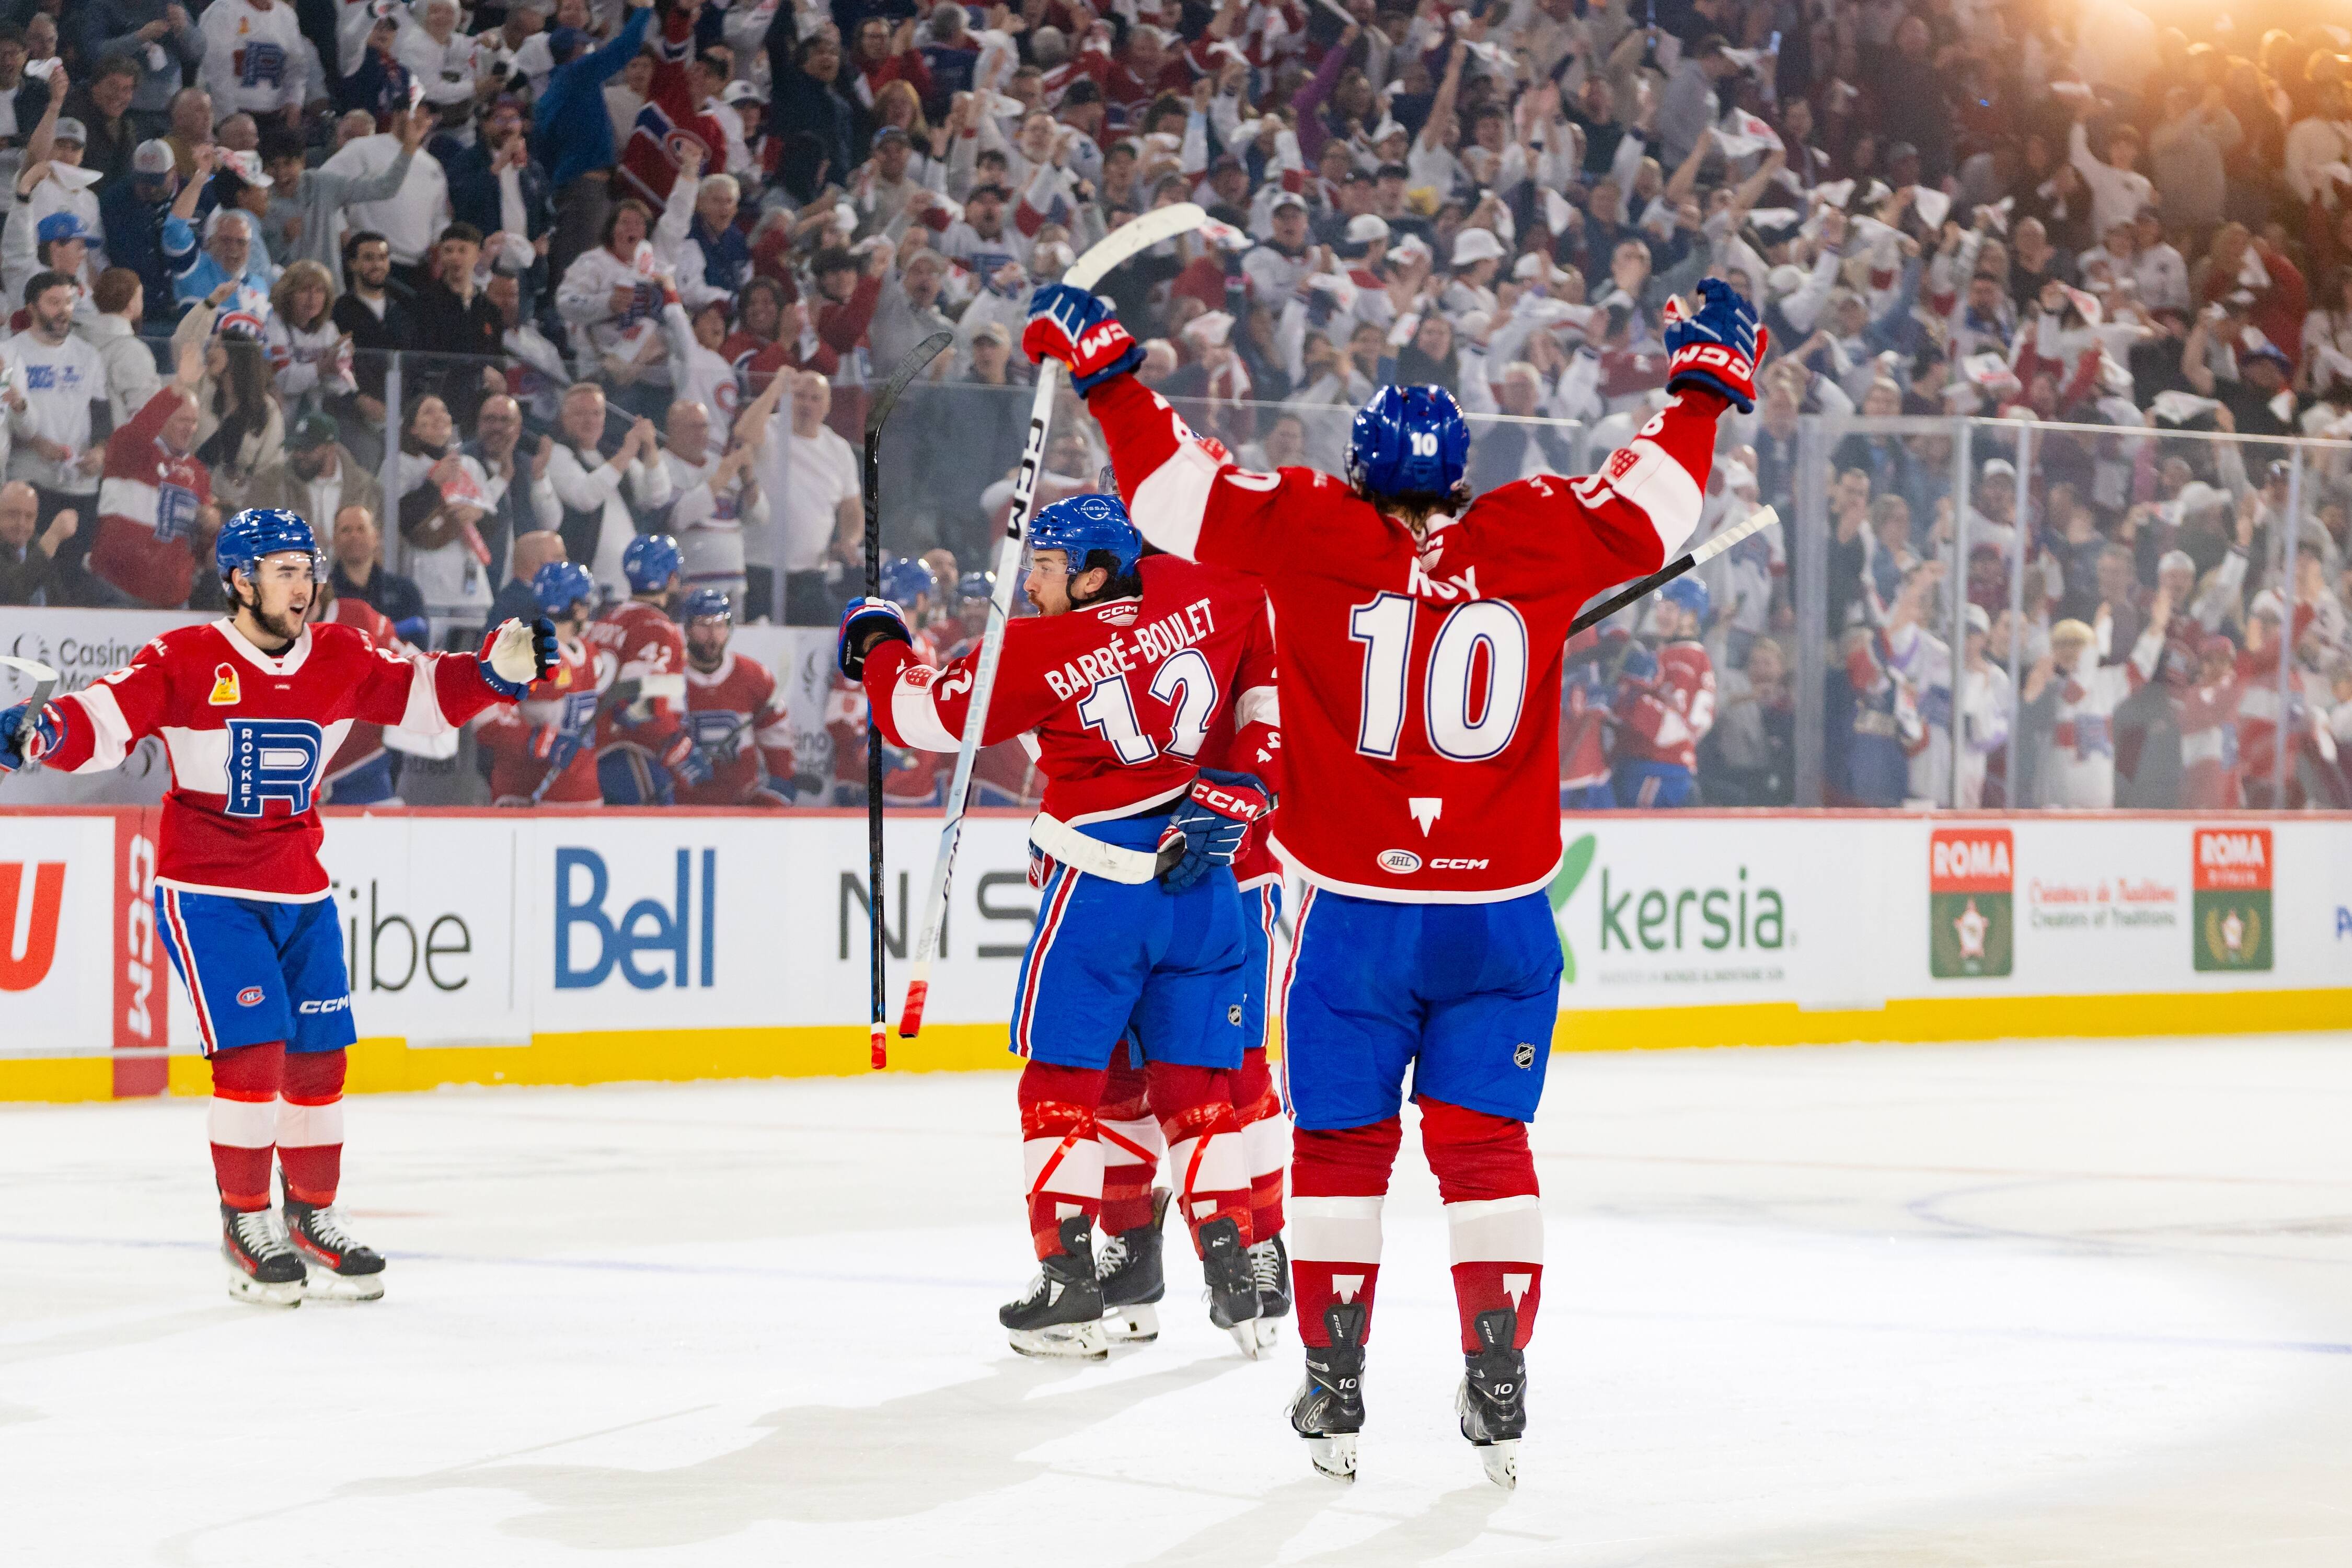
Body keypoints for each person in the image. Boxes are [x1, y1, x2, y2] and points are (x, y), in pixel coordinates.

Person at [1022, 271, 1759, 1484]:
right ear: (1458, 475)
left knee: (1340, 1152)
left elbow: (1164, 491)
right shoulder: (1528, 530)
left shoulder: (1312, 526)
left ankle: (1333, 1385)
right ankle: (1497, 1383)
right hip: (1499, 924)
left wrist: (1106, 369)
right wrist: (1694, 384)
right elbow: (1665, 497)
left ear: (1361, 472)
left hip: (1358, 925)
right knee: (1484, 1151)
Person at [0, 508, 556, 1304]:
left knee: (321, 1059)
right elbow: (108, 717)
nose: (303, 586)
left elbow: (425, 697)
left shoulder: (338, 654)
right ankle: (246, 1220)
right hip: (209, 888)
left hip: (301, 884)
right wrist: (42, 730)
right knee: (254, 1055)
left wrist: (496, 673)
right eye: (285, 570)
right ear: (239, 578)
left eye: (308, 569)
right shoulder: (188, 656)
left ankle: (314, 1215)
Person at [839, 492, 1277, 1361]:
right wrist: (1250, 775)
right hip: (1206, 882)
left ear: (1092, 574)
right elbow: (1261, 647)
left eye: (1044, 568)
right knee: (1196, 1090)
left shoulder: (1037, 649)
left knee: (1059, 1085)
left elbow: (917, 717)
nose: (1029, 585)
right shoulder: (1218, 595)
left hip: (1101, 887)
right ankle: (1237, 1270)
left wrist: (881, 641)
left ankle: (1068, 1283)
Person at [475, 559, 608, 806]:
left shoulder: (590, 653)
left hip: (583, 793)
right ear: (577, 608)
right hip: (526, 792)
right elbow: (485, 717)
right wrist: (536, 740)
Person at [585, 531, 703, 804]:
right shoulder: (657, 627)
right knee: (655, 839)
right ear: (671, 578)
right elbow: (635, 705)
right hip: (630, 753)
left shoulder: (607, 620)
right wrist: (677, 746)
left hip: (597, 749)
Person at [676, 587, 797, 806]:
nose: (713, 635)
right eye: (704, 625)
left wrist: (781, 783)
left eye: (720, 625)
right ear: (688, 629)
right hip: (682, 807)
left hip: (741, 807)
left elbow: (777, 738)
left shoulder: (755, 676)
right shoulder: (670, 676)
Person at [1609, 575, 1716, 808]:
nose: (1661, 614)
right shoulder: (1674, 654)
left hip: (1658, 772)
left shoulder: (1686, 659)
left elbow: (1671, 728)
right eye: (1661, 606)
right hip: (1653, 767)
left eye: (1671, 608)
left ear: (1693, 616)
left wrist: (1623, 697)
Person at [327, 502, 426, 644]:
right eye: (346, 530)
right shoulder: (324, 594)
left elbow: (420, 646)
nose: (354, 536)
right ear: (334, 539)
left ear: (376, 537)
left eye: (361, 529)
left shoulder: (405, 591)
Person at [0, 478, 72, 603]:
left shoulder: (35, 545)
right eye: (12, 514)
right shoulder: (45, 548)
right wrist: (53, 537)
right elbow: (11, 594)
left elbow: (60, 602)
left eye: (29, 517)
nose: (21, 524)